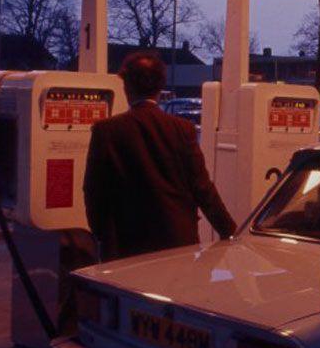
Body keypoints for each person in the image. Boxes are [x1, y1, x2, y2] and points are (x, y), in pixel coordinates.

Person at [84, 51, 236, 261]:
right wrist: (229, 231)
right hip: (177, 242)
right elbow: (202, 188)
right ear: (159, 88)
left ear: (127, 87)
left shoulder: (106, 131)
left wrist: (101, 236)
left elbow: (94, 192)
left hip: (126, 247)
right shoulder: (183, 129)